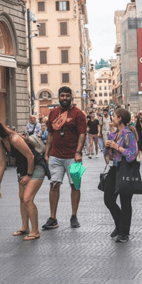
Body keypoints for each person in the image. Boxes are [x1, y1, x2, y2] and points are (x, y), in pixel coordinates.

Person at [43, 86, 87, 230]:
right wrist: (46, 152)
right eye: (62, 96)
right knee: (54, 184)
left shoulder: (78, 114)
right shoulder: (53, 113)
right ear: (59, 97)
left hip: (73, 157)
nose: (65, 98)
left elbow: (82, 134)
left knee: (75, 185)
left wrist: (79, 152)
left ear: (71, 97)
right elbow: (50, 134)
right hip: (56, 156)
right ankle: (52, 217)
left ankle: (74, 216)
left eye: (67, 96)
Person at [103, 108, 139, 243]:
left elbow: (132, 155)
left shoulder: (129, 134)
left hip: (126, 169)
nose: (113, 118)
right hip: (114, 168)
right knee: (108, 199)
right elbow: (107, 155)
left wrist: (116, 147)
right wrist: (107, 149)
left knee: (125, 202)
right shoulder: (113, 134)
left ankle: (124, 232)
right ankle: (119, 225)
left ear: (120, 119)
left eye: (114, 116)